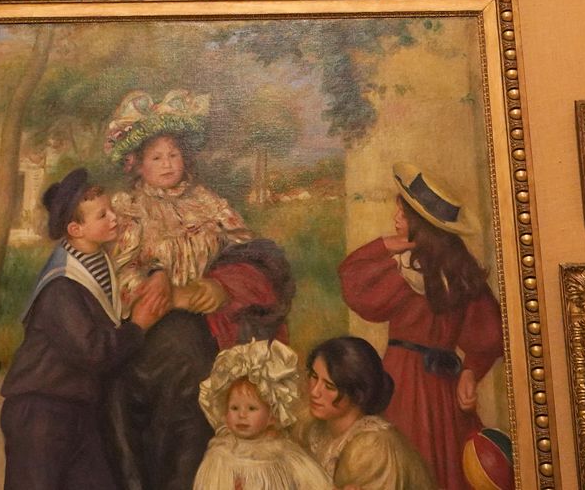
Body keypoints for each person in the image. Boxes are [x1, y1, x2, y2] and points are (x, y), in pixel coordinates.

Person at [105, 90, 295, 490]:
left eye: (173, 154)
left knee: (212, 374)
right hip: (155, 326)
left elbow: (245, 250)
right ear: (136, 164)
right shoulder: (129, 209)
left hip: (213, 319)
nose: (167, 164)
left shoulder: (208, 202)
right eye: (156, 157)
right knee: (181, 365)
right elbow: (122, 273)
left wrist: (220, 286)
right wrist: (160, 287)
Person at [338, 164, 503, 490]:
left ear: (420, 224)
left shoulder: (460, 272)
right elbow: (353, 283)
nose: (396, 218)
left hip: (439, 385)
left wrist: (471, 371)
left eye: (402, 213)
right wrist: (385, 245)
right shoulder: (404, 266)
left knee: (444, 468)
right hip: (400, 383)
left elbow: (487, 333)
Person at [3, 168, 169, 490]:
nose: (114, 218)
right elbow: (94, 352)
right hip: (40, 412)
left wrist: (158, 273)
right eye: (102, 215)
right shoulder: (61, 286)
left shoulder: (100, 260)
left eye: (111, 210)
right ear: (75, 229)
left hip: (78, 409)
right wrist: (138, 326)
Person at [192, 339, 333, 490]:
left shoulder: (284, 454)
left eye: (252, 408)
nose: (242, 415)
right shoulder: (219, 455)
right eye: (234, 408)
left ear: (272, 416)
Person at [299, 337, 436, 490]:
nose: (315, 391)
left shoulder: (372, 447)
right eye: (314, 377)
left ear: (357, 394)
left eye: (329, 386)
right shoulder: (313, 429)